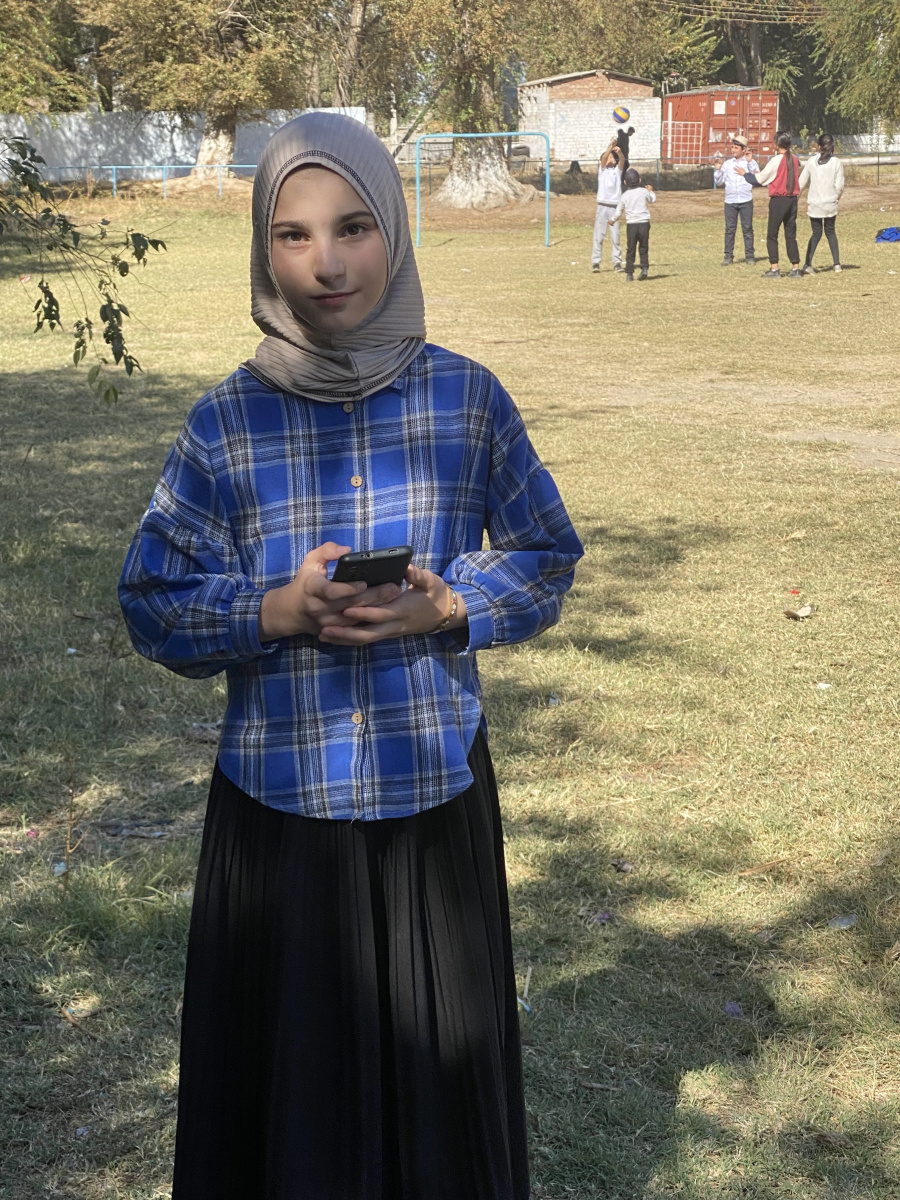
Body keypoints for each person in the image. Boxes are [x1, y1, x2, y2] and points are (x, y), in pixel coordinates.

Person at [118, 111, 583, 1200]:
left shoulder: (468, 400)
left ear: (396, 233)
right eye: (292, 234)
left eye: (354, 227)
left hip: (432, 811)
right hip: (281, 822)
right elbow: (151, 600)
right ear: (263, 248)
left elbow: (546, 556)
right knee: (292, 1120)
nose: (326, 262)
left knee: (439, 1107)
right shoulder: (227, 422)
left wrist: (451, 607)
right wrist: (273, 611)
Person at [735, 131, 802, 278]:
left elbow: (759, 179)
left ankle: (774, 268)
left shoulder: (776, 160)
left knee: (772, 235)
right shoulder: (794, 159)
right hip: (792, 200)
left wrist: (744, 174)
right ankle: (795, 267)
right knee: (790, 235)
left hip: (779, 200)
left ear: (777, 144)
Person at [799, 133, 845, 273]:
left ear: (818, 146)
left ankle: (807, 264)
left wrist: (794, 199)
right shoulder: (836, 162)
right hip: (830, 203)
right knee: (830, 232)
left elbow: (801, 182)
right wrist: (835, 198)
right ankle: (837, 264)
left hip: (815, 204)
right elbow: (840, 186)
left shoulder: (811, 161)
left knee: (816, 233)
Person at [712, 134, 758, 266]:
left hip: (745, 200)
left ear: (744, 149)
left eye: (736, 148)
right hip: (730, 201)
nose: (733, 150)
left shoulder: (750, 162)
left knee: (747, 229)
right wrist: (718, 171)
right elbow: (719, 182)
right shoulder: (727, 164)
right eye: (732, 147)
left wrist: (749, 163)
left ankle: (749, 256)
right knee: (730, 229)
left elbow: (756, 178)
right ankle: (728, 256)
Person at [613, 166, 655, 281]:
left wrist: (613, 219)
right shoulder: (644, 191)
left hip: (632, 225)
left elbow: (619, 211)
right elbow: (652, 200)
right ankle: (644, 268)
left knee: (631, 248)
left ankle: (629, 273)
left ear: (625, 182)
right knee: (643, 247)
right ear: (640, 180)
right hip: (644, 223)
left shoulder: (625, 195)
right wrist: (650, 191)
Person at [592, 139, 624, 272]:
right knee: (599, 235)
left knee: (615, 236)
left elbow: (622, 160)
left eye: (613, 157)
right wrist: (611, 147)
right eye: (610, 157)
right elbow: (604, 157)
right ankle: (595, 262)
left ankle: (617, 263)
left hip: (615, 208)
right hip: (602, 206)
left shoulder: (617, 172)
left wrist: (619, 152)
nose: (612, 158)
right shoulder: (602, 171)